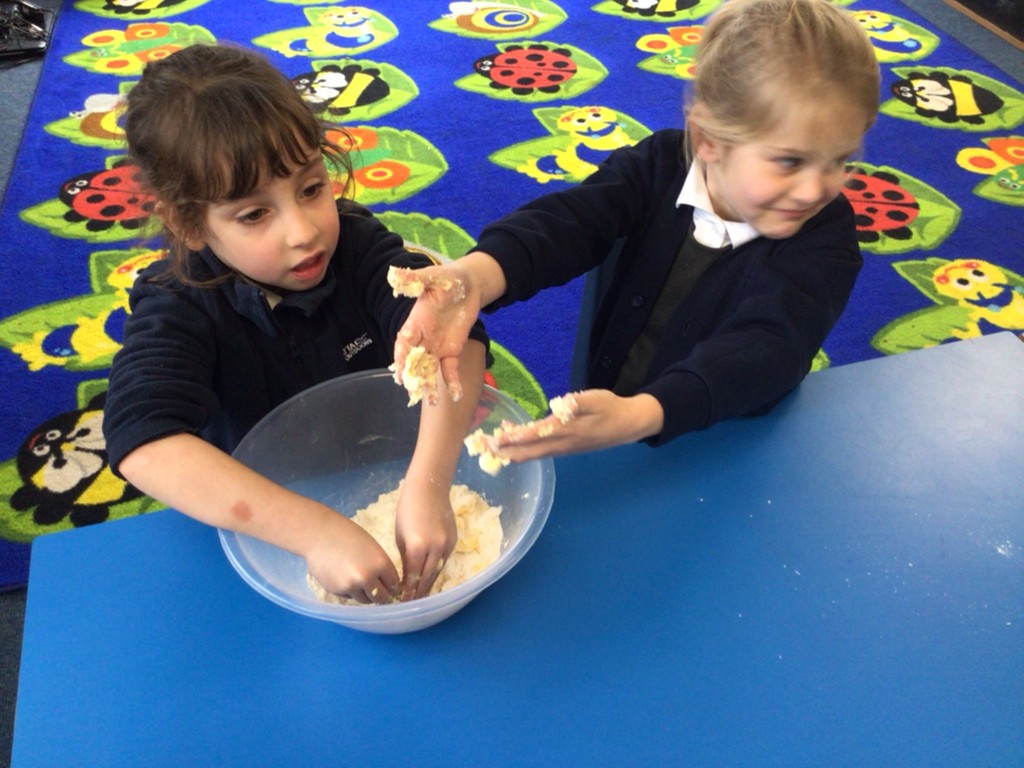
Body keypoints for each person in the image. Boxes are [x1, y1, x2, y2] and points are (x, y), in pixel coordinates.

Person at [392, 0, 880, 463]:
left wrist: (643, 414)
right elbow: (571, 221)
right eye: (790, 161)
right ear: (708, 139)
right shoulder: (656, 166)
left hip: (725, 444)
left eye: (841, 160)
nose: (817, 188)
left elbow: (769, 347)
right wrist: (476, 278)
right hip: (613, 408)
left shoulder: (827, 237)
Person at [103, 44, 488, 604]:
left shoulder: (356, 248)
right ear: (187, 223)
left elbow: (455, 330)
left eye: (311, 189)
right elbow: (144, 440)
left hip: (390, 465)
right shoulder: (178, 303)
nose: (304, 232)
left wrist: (427, 484)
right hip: (269, 512)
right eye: (255, 214)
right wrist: (315, 531)